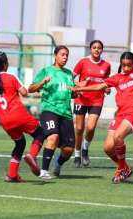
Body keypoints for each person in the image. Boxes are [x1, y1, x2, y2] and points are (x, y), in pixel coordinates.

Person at [70, 21, 133, 183]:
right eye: (124, 65)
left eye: (129, 65)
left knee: (118, 137)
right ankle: (124, 167)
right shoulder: (117, 78)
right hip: (121, 115)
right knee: (107, 148)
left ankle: (121, 169)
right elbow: (100, 85)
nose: (126, 68)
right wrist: (80, 89)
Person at [0, 51, 44, 183]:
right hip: (19, 115)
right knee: (41, 133)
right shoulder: (11, 77)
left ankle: (12, 175)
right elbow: (24, 93)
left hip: (5, 121)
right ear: (5, 64)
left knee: (20, 144)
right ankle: (32, 155)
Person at [28, 45, 76, 179]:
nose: (65, 57)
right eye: (62, 54)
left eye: (67, 55)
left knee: (68, 150)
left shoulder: (68, 74)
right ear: (55, 55)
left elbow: (72, 95)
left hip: (66, 113)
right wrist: (42, 82)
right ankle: (43, 171)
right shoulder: (46, 71)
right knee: (53, 137)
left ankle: (58, 163)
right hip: (49, 110)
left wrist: (75, 92)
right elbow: (31, 89)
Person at [73, 40, 111, 168]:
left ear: (102, 50)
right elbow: (70, 78)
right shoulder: (83, 62)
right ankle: (77, 154)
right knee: (79, 129)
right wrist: (78, 85)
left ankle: (85, 149)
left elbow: (106, 83)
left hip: (97, 100)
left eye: (99, 48)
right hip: (81, 98)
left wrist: (107, 89)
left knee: (90, 127)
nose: (96, 49)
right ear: (90, 49)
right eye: (94, 47)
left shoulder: (106, 65)